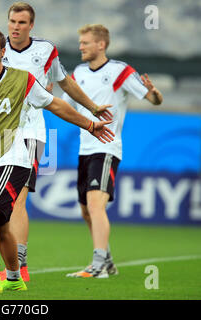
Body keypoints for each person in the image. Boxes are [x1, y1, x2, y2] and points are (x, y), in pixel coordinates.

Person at [0, 27, 114, 293]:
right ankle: (15, 279)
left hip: (15, 158)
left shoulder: (22, 80)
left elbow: (54, 104)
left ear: (3, 52)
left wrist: (89, 124)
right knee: (0, 225)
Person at [0, 2, 113, 282]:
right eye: (12, 21)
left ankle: (19, 268)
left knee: (16, 201)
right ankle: (8, 267)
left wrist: (92, 107)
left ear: (31, 25)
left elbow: (64, 82)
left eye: (22, 22)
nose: (15, 27)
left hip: (31, 133)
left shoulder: (45, 50)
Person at [63, 24, 163, 278]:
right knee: (86, 209)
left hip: (106, 147)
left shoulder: (121, 71)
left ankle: (98, 266)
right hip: (85, 148)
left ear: (101, 45)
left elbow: (151, 99)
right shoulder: (79, 73)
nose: (81, 47)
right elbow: (66, 107)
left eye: (85, 42)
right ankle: (106, 261)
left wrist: (154, 94)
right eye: (81, 42)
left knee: (96, 205)